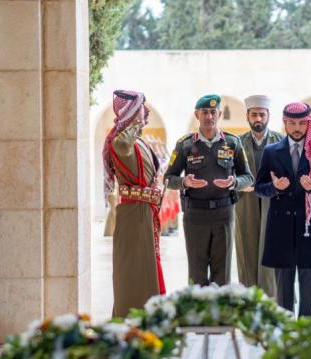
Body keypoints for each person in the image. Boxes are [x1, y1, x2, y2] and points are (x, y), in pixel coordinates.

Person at [254, 102, 311, 317]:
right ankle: (285, 328)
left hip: (310, 226)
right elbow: (259, 188)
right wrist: (274, 187)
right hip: (281, 227)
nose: (297, 128)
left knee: (309, 289)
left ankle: (307, 328)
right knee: (283, 291)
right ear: (285, 123)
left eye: (302, 123)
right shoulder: (271, 152)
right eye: (292, 123)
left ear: (309, 123)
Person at [164, 94, 253, 286]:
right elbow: (168, 178)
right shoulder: (185, 144)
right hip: (195, 216)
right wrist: (184, 182)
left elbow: (248, 177)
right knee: (196, 275)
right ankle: (197, 306)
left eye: (213, 112)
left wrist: (234, 182)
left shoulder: (232, 142)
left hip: (224, 215)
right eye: (204, 112)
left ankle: (221, 306)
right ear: (197, 114)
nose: (209, 116)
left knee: (223, 275)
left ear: (219, 114)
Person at [102, 90, 165, 317]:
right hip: (133, 214)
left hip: (145, 212)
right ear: (130, 111)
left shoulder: (138, 140)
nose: (145, 112)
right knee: (134, 272)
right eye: (140, 108)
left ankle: (150, 318)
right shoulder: (120, 140)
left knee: (148, 268)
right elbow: (123, 145)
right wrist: (133, 122)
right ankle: (130, 320)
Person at [234, 95, 283, 297]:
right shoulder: (236, 143)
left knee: (272, 248)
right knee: (247, 249)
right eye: (254, 114)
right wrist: (238, 184)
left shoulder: (281, 141)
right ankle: (249, 298)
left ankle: (273, 299)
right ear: (247, 116)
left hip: (275, 202)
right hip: (245, 203)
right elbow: (230, 173)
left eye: (262, 114)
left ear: (268, 115)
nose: (258, 119)